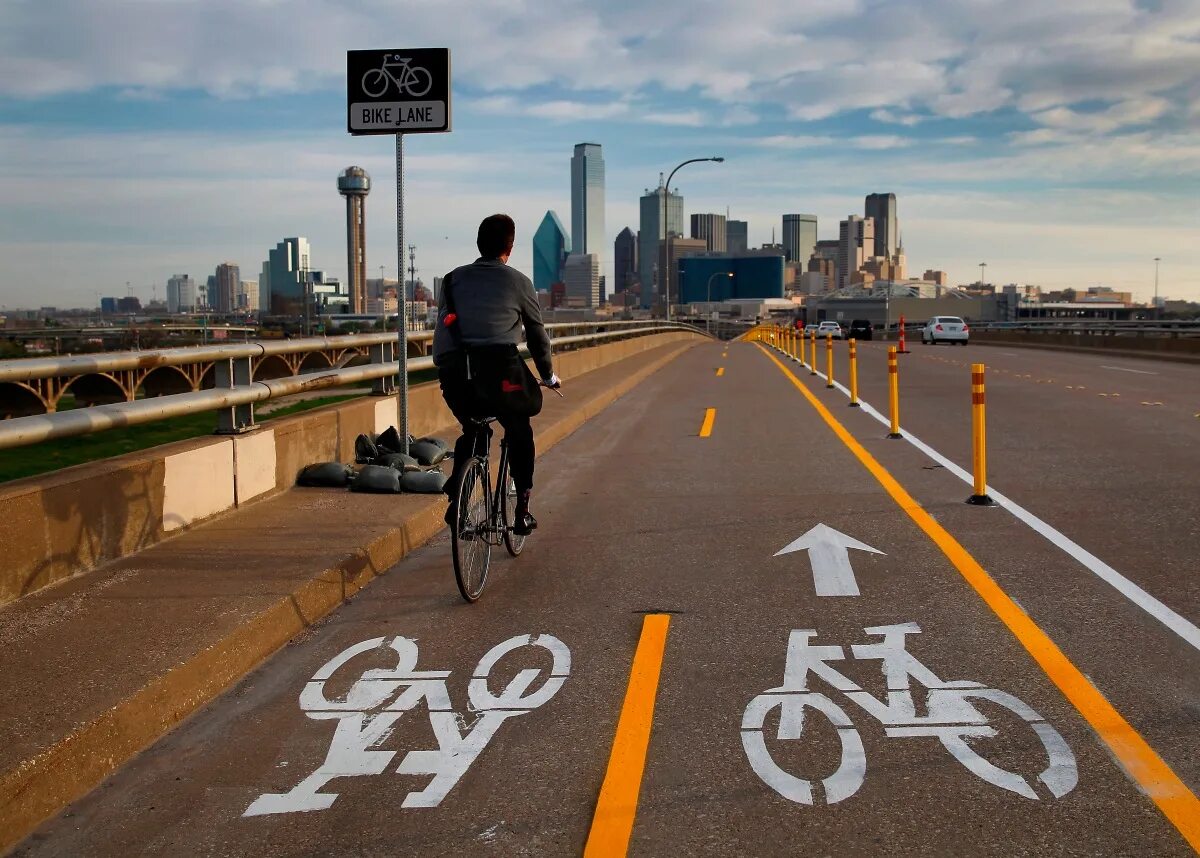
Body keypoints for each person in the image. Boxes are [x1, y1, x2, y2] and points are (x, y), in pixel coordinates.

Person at [433, 214, 560, 535]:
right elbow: (537, 336)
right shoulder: (519, 282)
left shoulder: (450, 280)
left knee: (473, 427)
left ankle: (458, 499)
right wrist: (548, 375)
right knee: (518, 428)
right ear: (510, 247)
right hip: (500, 372)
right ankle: (522, 510)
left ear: (479, 244)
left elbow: (445, 330)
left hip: (454, 373)